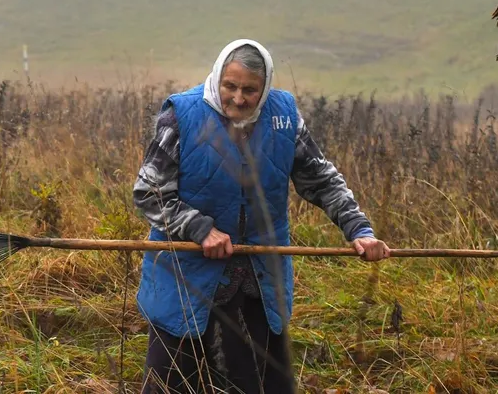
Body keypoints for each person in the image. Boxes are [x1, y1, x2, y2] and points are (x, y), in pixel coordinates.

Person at [133, 39, 390, 393]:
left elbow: (320, 180)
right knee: (175, 383)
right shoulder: (181, 116)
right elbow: (150, 192)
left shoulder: (284, 118)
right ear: (217, 78)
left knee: (261, 383)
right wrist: (199, 229)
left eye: (250, 90)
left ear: (264, 89)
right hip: (185, 276)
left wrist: (358, 229)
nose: (238, 98)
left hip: (258, 277)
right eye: (230, 86)